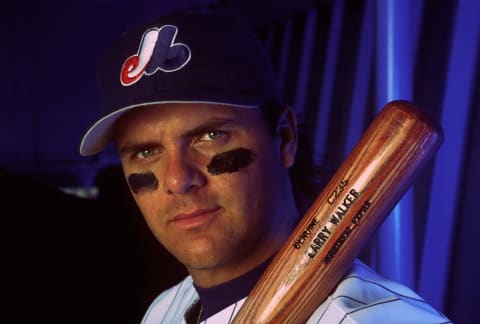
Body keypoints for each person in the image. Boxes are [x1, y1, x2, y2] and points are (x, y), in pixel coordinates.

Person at [79, 9, 451, 324]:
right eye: (145, 152)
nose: (178, 179)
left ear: (285, 138)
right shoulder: (164, 310)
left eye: (210, 136)